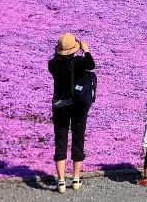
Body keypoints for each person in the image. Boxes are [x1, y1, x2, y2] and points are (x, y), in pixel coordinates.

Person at [48, 33, 96, 193]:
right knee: (78, 140)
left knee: (60, 142)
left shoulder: (52, 64)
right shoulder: (79, 62)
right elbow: (91, 64)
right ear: (73, 49)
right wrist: (86, 50)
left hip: (59, 107)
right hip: (77, 107)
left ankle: (61, 182)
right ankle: (75, 179)